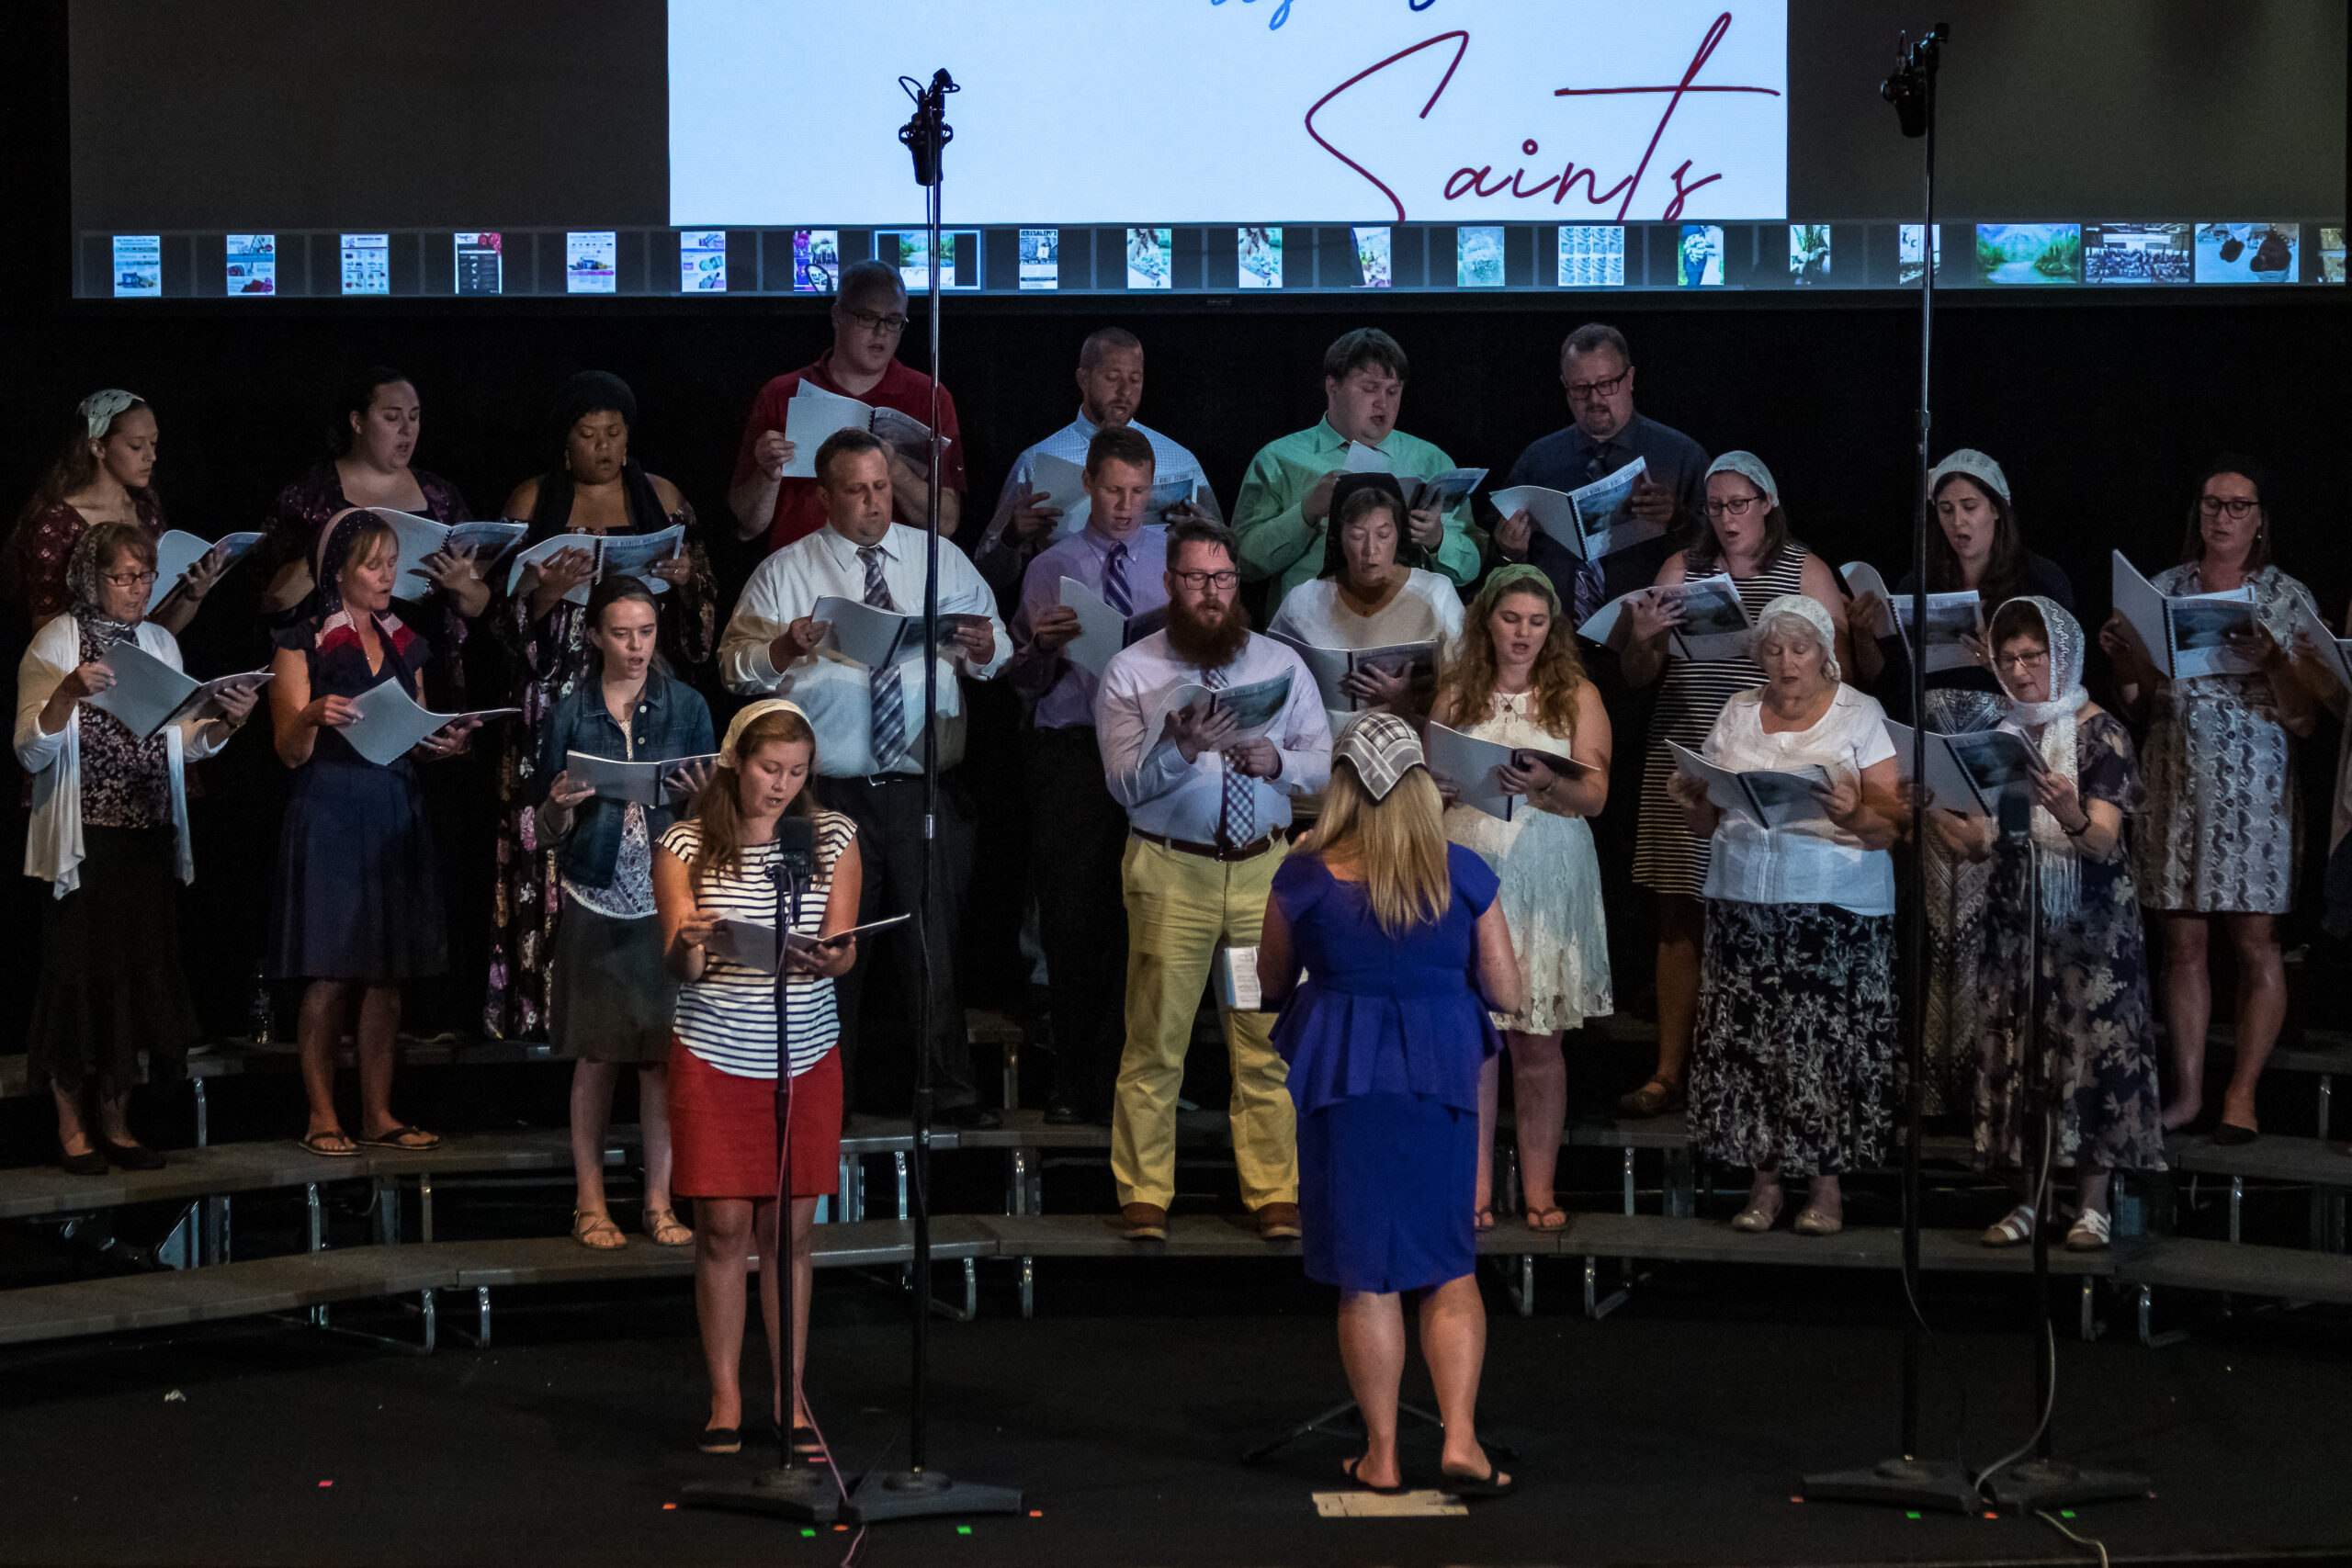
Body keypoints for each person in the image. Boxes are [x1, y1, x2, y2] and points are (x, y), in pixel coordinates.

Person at [1258, 713, 1522, 1499]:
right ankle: (1462, 1441)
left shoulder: (1303, 878)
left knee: (1365, 1270)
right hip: (1439, 1066)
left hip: (1346, 1065)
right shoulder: (1463, 871)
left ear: (1340, 786)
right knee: (1449, 1263)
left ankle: (1381, 1452)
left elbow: (1270, 984)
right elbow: (1508, 991)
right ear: (1419, 787)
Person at [717, 428, 1008, 1126]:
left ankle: (946, 1091)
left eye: (881, 487)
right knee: (828, 949)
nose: (875, 503)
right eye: (857, 490)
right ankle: (827, 1100)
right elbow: (733, 668)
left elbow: (996, 652)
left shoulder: (939, 559)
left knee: (930, 948)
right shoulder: (789, 569)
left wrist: (983, 647)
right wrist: (784, 646)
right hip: (827, 794)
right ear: (823, 496)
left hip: (922, 786)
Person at [1094, 518, 1331, 1240]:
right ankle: (1144, 1193)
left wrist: (1279, 766)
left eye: (1223, 579)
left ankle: (1273, 1190)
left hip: (1261, 873)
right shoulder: (1133, 669)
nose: (1211, 593)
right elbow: (1122, 787)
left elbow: (1323, 762)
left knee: (1262, 1038)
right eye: (1196, 579)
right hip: (1173, 870)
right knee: (1157, 1040)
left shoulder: (1279, 664)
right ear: (1169, 584)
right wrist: (1179, 746)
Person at [14, 525, 261, 1173]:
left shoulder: (158, 642)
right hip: (85, 842)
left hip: (146, 836)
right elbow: (30, 750)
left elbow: (178, 742)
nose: (136, 589)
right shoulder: (56, 641)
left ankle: (119, 1124)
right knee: (78, 983)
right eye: (123, 577)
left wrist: (223, 723)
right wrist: (66, 693)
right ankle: (73, 1129)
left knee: (135, 981)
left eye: (146, 576)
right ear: (91, 578)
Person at [654, 701, 862, 1456]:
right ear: (736, 761)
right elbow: (680, 965)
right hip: (715, 1053)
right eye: (770, 769)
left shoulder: (832, 836)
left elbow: (842, 947)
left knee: (790, 1230)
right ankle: (726, 1398)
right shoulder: (685, 841)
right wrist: (692, 942)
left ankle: (791, 1395)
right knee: (725, 1227)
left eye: (797, 772)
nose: (782, 785)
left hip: (804, 1052)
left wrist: (826, 956)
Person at [1617, 452, 1850, 1118]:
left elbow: (1845, 673)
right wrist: (1645, 637)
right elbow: (1637, 675)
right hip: (1692, 753)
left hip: (1770, 756)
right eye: (1716, 506)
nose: (1726, 518)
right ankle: (1669, 1070)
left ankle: (1748, 1067)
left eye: (1739, 504)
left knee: (1755, 917)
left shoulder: (1803, 570)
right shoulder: (1680, 570)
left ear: (1768, 502)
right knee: (1678, 913)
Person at [487, 371, 718, 1041]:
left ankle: (650, 1003)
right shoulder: (534, 498)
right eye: (588, 436)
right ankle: (546, 1011)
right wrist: (542, 595)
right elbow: (494, 624)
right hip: (555, 697)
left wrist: (683, 581)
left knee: (647, 830)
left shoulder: (662, 495)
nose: (604, 447)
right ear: (565, 444)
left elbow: (701, 615)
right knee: (558, 834)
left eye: (614, 434)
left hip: (641, 695)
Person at [1927, 598, 2162, 1251]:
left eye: (2034, 656)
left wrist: (2070, 812)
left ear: (2063, 655)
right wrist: (1931, 809)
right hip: (2016, 919)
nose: (2023, 670)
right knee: (2024, 1054)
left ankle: (2091, 1205)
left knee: (2091, 1055)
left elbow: (2102, 843)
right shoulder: (2001, 737)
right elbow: (1977, 845)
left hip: (2090, 925)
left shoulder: (2101, 733)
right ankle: (2028, 1200)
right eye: (2009, 659)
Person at [2099, 457, 2323, 1144]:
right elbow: (2136, 704)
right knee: (2183, 942)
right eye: (2212, 504)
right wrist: (2125, 660)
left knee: (2256, 942)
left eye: (2237, 506)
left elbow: (2309, 719)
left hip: (2254, 793)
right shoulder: (2161, 589)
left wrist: (2276, 662)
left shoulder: (2288, 598)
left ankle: (2242, 1094)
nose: (2222, 517)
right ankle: (2191, 1090)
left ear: (2260, 522)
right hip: (2174, 781)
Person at [1849, 450, 2075, 1116]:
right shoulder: (1921, 579)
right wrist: (1867, 636)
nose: (1957, 522)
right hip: (1936, 754)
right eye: (1945, 510)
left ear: (1998, 510)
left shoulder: (2038, 578)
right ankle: (1934, 1082)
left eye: (1969, 507)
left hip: (2006, 755)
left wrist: (1997, 664)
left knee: (1993, 922)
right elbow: (1884, 680)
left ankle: (1992, 1089)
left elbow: (2057, 681)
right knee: (1935, 924)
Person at [1668, 596, 1899, 1235]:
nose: (1786, 662)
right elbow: (1709, 818)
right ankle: (1764, 1184)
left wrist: (1849, 811)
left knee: (1818, 1049)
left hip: (1832, 907)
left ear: (1825, 654)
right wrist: (1693, 800)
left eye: (1799, 650)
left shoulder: (1862, 713)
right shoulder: (1739, 710)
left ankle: (1826, 1188)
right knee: (1753, 1047)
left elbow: (1887, 828)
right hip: (1745, 901)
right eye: (1773, 649)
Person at [266, 510, 479, 1157]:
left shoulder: (404, 638)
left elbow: (411, 732)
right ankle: (322, 1113)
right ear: (339, 571)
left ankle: (378, 1111)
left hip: (393, 806)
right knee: (330, 972)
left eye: (392, 562)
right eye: (372, 563)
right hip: (331, 805)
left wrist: (444, 742)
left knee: (387, 975)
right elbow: (288, 749)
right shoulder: (299, 640)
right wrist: (310, 714)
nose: (387, 574)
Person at [535, 575, 717, 1250]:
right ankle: (590, 1201)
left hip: (666, 891)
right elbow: (545, 826)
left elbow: (712, 814)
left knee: (659, 1056)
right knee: (598, 1053)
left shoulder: (688, 704)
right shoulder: (572, 710)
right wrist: (560, 803)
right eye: (621, 632)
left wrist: (701, 798)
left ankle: (658, 1200)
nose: (636, 646)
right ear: (594, 636)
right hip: (596, 889)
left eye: (646, 631)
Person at [1431, 566, 1612, 1232]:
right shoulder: (1457, 691)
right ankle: (1473, 1189)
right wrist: (1440, 788)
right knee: (1476, 1039)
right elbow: (1428, 781)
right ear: (1488, 621)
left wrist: (1543, 782)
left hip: (1548, 868)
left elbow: (1595, 794)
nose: (1524, 633)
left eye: (1537, 621)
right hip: (1472, 866)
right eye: (1512, 619)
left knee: (1539, 1044)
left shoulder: (1577, 694)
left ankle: (1539, 1189)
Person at [1006, 426, 1173, 1126]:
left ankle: (1137, 1082)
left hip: (1157, 746)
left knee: (1149, 922)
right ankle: (1075, 1078)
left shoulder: (1173, 558)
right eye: (1114, 490)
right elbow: (1020, 681)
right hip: (1074, 749)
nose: (1128, 505)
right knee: (1075, 919)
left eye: (1139, 492)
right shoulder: (1053, 564)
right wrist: (1042, 649)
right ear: (1089, 485)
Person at [260, 367, 487, 703]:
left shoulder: (441, 497)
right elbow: (273, 599)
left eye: (414, 417)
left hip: (421, 659)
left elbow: (478, 603)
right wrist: (329, 546)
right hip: (336, 663)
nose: (407, 429)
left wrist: (462, 584)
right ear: (357, 422)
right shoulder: (312, 495)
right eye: (392, 417)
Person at [1231, 329, 1481, 613]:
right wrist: (1307, 511)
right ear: (1333, 387)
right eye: (1369, 388)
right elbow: (1243, 564)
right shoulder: (1278, 459)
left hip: (1411, 633)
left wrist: (1436, 539)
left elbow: (1470, 568)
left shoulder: (1431, 461)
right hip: (1311, 633)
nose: (1382, 403)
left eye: (1392, 391)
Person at [728, 260, 967, 552]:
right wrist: (767, 475)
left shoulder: (930, 396)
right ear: (838, 315)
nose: (881, 332)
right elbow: (748, 524)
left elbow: (947, 524)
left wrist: (894, 469)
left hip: (897, 574)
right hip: (802, 570)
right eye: (868, 317)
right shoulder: (781, 393)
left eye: (893, 321)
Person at [976, 326, 1219, 602]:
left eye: (1135, 380)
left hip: (1160, 617)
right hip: (1067, 617)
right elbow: (987, 574)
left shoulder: (1180, 460)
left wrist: (1207, 535)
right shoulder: (1036, 462)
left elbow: (1225, 556)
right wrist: (1011, 538)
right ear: (1084, 379)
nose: (1125, 391)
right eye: (1112, 378)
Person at [1491, 323, 1710, 626]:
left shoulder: (1680, 455)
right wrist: (1510, 551)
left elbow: (1719, 553)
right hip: (1557, 640)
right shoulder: (1538, 460)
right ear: (1565, 387)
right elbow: (1500, 561)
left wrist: (1678, 520)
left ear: (1630, 378)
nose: (1595, 399)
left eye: (1607, 383)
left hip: (1645, 643)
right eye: (1581, 388)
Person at [6, 390, 223, 636]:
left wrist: (193, 597)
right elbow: (46, 634)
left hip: (140, 665)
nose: (151, 456)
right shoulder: (58, 523)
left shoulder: (146, 513)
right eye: (136, 446)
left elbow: (157, 632)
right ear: (98, 447)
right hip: (81, 668)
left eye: (153, 444)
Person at [1266, 479, 1464, 737]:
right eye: (1358, 535)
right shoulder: (1302, 601)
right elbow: (1273, 686)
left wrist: (1408, 702)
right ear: (1339, 536)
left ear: (1399, 533)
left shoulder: (1437, 594)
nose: (1371, 551)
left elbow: (1466, 686)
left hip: (1411, 744)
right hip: (1327, 748)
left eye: (1383, 535)